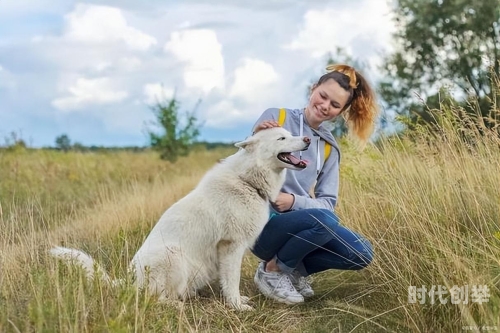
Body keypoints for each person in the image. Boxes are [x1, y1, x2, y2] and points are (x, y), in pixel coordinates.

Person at [250, 64, 379, 304]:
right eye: (323, 96)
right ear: (313, 89)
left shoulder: (329, 148)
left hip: (298, 219)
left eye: (334, 105)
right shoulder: (276, 117)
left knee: (361, 252)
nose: (325, 106)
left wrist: (293, 202)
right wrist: (256, 136)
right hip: (261, 225)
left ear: (341, 111)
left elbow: (327, 204)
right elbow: (246, 164)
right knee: (325, 221)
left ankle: (291, 270)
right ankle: (272, 271)